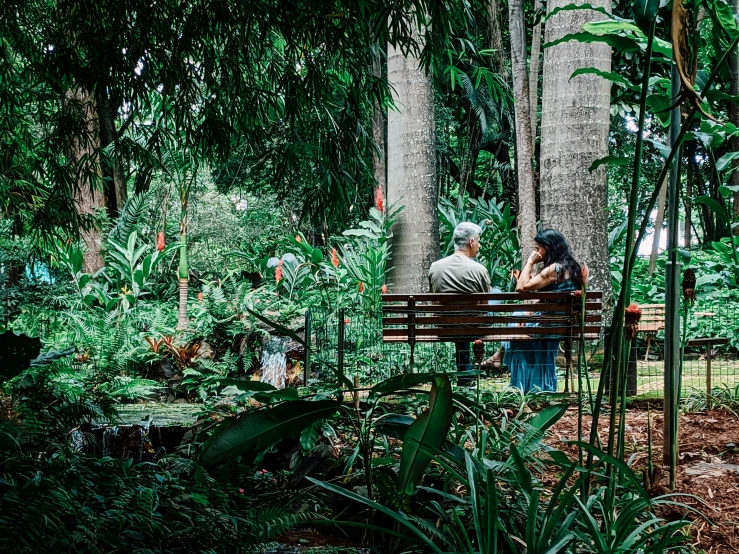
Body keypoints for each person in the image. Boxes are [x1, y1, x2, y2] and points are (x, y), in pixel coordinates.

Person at [497, 229, 584, 393]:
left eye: (538, 248)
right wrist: (529, 313)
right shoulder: (573, 267)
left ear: (548, 247)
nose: (537, 252)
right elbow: (555, 298)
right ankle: (537, 385)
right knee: (519, 321)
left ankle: (521, 384)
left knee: (515, 322)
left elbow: (521, 287)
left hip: (547, 325)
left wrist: (530, 262)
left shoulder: (555, 269)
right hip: (562, 324)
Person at [428, 222, 491, 383]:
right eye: (478, 240)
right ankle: (466, 374)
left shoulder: (435, 267)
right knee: (494, 293)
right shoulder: (479, 270)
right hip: (473, 329)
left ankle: (464, 373)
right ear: (471, 242)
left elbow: (434, 302)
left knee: (459, 319)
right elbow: (485, 305)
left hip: (444, 328)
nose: (480, 245)